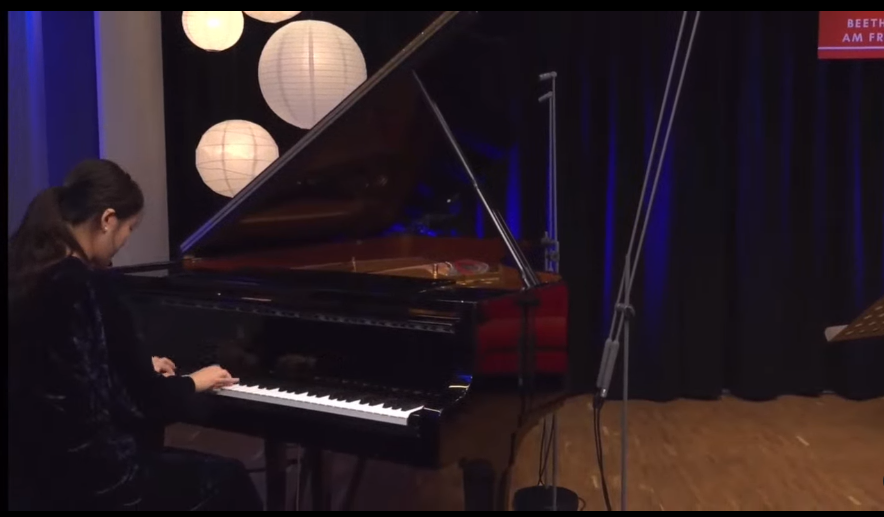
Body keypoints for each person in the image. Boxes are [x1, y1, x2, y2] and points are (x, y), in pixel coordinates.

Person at [7, 159, 264, 511]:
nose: (125, 241)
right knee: (228, 479)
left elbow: (64, 374)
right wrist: (194, 381)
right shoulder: (85, 286)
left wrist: (130, 366)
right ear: (107, 219)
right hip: (91, 480)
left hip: (27, 471)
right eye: (130, 228)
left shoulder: (26, 272)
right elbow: (146, 401)